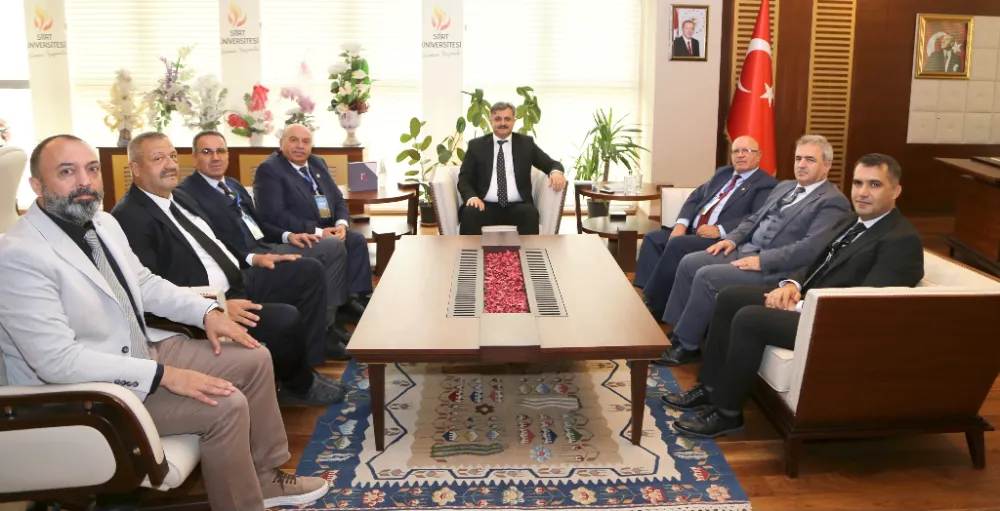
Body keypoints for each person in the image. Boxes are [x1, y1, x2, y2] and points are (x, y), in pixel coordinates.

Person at [0, 134, 330, 510]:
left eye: (91, 169)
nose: (84, 182)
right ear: (36, 185)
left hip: (138, 348)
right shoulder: (20, 256)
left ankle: (266, 478)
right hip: (86, 393)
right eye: (66, 172)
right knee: (225, 405)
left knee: (254, 358)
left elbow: (144, 282)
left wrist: (208, 312)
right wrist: (164, 375)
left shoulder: (102, 223)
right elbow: (56, 362)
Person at [663, 153, 925, 438]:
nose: (862, 192)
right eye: (858, 183)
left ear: (895, 191)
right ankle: (712, 388)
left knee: (750, 319)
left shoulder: (901, 240)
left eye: (874, 185)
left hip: (834, 322)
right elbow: (815, 262)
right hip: (809, 303)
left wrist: (799, 305)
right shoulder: (851, 220)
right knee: (729, 297)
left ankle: (727, 414)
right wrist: (791, 285)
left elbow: (867, 306)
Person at [111, 132, 347, 407]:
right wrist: (215, 306)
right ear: (136, 168)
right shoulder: (129, 217)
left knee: (307, 271)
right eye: (158, 158)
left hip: (237, 277)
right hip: (210, 300)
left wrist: (252, 259)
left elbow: (215, 242)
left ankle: (301, 367)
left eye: (173, 156)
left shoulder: (178, 198)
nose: (171, 164)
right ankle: (297, 386)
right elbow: (151, 288)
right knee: (285, 318)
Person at [656, 134, 851, 366]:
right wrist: (732, 240)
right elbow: (754, 219)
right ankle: (681, 332)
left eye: (810, 160)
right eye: (798, 158)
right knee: (689, 262)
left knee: (707, 276)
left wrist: (762, 261)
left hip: (775, 269)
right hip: (745, 250)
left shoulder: (833, 201)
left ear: (827, 165)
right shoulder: (785, 186)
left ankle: (687, 347)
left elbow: (811, 248)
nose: (801, 164)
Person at [178, 130, 354, 345]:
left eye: (221, 151)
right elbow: (208, 245)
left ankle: (328, 325)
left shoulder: (233, 185)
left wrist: (289, 236)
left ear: (228, 155)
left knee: (336, 245)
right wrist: (252, 258)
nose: (215, 157)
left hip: (267, 245)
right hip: (244, 262)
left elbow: (260, 223)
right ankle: (325, 332)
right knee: (326, 252)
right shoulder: (186, 195)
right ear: (194, 157)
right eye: (207, 152)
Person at [633, 135, 777, 318]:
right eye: (736, 151)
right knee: (653, 238)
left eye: (746, 151)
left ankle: (653, 303)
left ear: (759, 156)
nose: (740, 155)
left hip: (721, 240)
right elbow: (695, 197)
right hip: (692, 231)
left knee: (677, 245)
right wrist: (681, 225)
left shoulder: (766, 184)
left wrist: (720, 230)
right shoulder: (723, 174)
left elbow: (755, 217)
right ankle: (651, 298)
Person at [252, 123, 372, 316]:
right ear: (281, 143)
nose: (300, 146)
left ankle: (353, 299)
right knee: (334, 244)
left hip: (327, 227)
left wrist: (341, 224)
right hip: (299, 235)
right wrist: (319, 232)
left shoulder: (317, 162)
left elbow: (338, 199)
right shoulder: (269, 170)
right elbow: (276, 215)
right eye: (294, 140)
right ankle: (331, 311)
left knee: (355, 240)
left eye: (306, 141)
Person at [457, 101, 567, 235]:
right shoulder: (476, 146)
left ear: (514, 121)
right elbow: (464, 179)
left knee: (530, 213)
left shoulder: (526, 144)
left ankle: (529, 250)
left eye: (507, 119)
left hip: (518, 206)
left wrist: (556, 172)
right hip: (484, 205)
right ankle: (470, 250)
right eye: (498, 119)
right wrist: (472, 197)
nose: (502, 123)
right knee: (469, 212)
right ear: (491, 121)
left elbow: (551, 164)